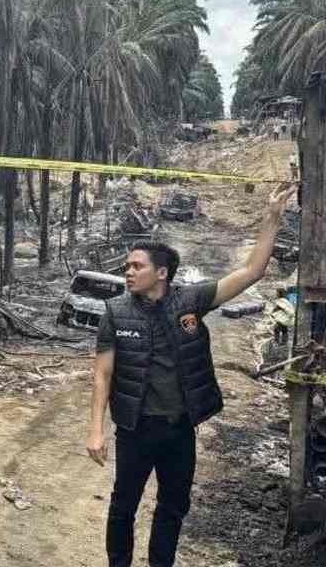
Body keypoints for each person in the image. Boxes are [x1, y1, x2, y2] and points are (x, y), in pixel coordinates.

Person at [86, 183, 296, 567]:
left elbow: (252, 271)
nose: (128, 271)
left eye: (137, 266)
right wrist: (96, 430)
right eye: (128, 266)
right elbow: (102, 375)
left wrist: (272, 218)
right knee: (123, 507)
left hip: (179, 429)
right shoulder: (115, 312)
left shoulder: (190, 301)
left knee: (172, 507)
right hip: (135, 430)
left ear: (161, 273)